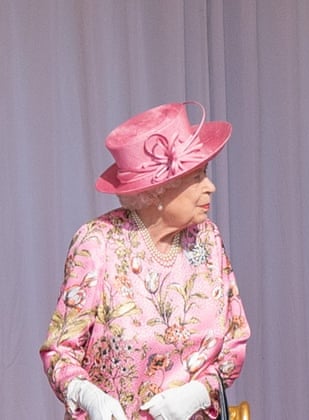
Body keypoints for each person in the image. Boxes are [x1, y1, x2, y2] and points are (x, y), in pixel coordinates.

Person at [40, 101, 250, 419]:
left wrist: (198, 392)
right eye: (198, 178)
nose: (211, 188)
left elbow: (234, 339)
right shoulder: (99, 243)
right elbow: (60, 350)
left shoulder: (208, 239)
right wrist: (89, 396)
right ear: (158, 192)